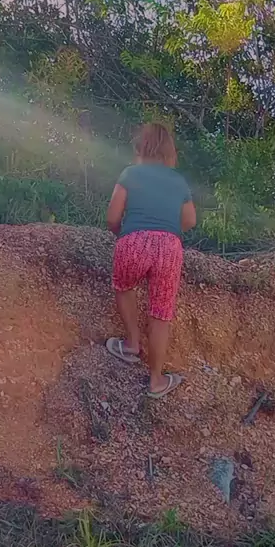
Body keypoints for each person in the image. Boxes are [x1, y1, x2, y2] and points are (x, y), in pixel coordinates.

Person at [105, 122, 196, 398]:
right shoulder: (178, 180)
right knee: (161, 313)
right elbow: (190, 220)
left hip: (133, 240)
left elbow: (112, 217)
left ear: (140, 147)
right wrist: (168, 230)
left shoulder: (130, 173)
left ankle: (132, 344)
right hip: (169, 247)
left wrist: (124, 234)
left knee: (124, 286)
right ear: (169, 150)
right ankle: (156, 380)